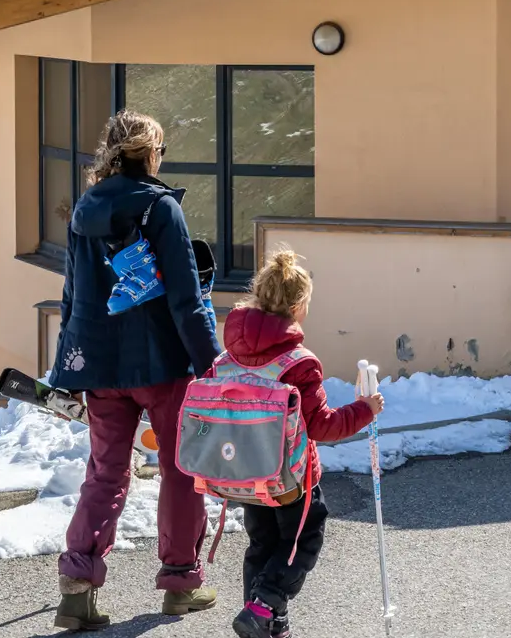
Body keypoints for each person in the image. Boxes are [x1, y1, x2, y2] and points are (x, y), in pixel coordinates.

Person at [51, 110, 223, 630]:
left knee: (105, 470)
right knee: (180, 467)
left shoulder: (85, 209)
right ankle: (180, 582)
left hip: (99, 364)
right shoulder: (161, 207)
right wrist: (210, 365)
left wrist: (67, 368)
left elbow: (73, 294)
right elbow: (187, 299)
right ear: (151, 153)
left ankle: (77, 590)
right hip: (162, 363)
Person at [222, 248, 384, 638]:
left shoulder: (230, 353)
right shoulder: (298, 362)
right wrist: (365, 410)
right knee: (302, 540)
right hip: (291, 477)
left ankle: (265, 622)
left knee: (262, 544)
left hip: (245, 471)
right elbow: (322, 426)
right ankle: (264, 607)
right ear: (297, 307)